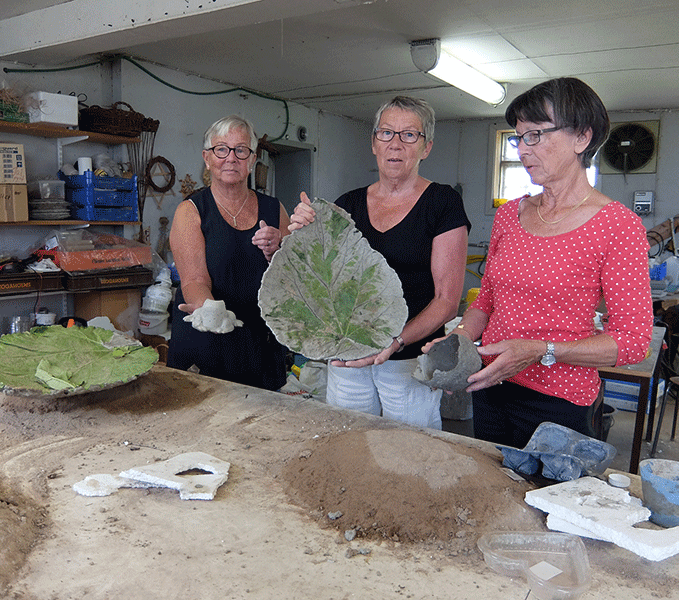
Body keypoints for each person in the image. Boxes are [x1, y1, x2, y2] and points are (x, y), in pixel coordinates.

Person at [426, 77, 653, 448]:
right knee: (498, 491)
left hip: (559, 402)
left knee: (545, 500)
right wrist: (461, 338)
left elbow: (632, 343)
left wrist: (540, 350)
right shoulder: (510, 215)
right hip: (491, 385)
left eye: (536, 135)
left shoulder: (616, 225)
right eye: (518, 137)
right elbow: (486, 301)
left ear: (582, 137)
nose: (523, 150)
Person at [290, 96, 470, 429]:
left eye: (409, 135)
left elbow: (446, 301)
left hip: (408, 360)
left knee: (409, 456)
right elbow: (321, 283)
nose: (396, 144)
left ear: (426, 147)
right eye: (386, 133)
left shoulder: (442, 203)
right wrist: (303, 234)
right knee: (349, 443)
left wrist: (395, 341)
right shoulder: (349, 204)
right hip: (348, 356)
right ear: (374, 143)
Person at [166, 114, 290, 390]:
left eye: (241, 150)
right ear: (207, 158)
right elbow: (194, 280)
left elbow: (294, 275)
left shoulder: (274, 209)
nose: (231, 158)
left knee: (260, 425)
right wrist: (208, 310)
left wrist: (279, 249)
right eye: (221, 149)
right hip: (208, 342)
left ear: (253, 159)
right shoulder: (192, 211)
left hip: (261, 344)